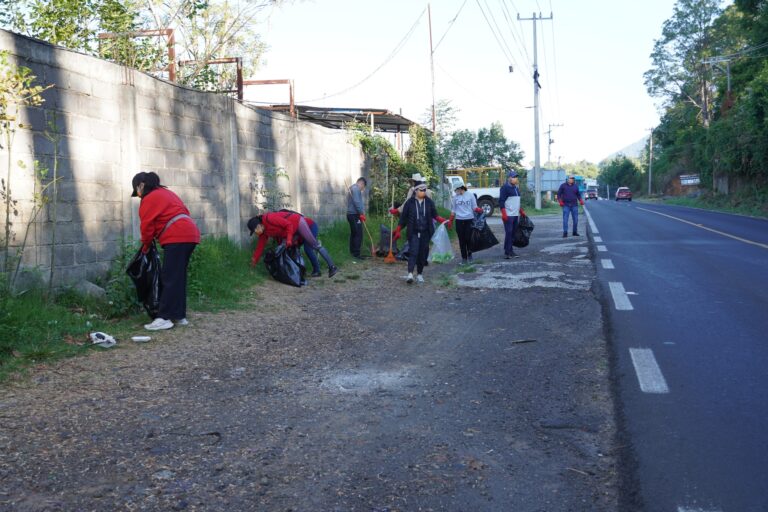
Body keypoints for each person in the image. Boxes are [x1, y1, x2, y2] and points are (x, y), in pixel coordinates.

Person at [131, 171, 200, 331]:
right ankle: (179, 315)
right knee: (177, 277)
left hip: (177, 235)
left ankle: (164, 318)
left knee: (168, 277)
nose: (139, 196)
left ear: (140, 185)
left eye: (137, 191)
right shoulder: (167, 193)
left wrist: (146, 246)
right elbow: (182, 211)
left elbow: (147, 227)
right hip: (190, 233)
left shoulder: (149, 199)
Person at [248, 211, 338, 277]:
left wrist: (289, 240)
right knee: (286, 249)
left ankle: (332, 267)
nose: (256, 233)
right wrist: (253, 264)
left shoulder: (269, 218)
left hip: (297, 222)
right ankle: (297, 272)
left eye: (255, 231)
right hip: (292, 230)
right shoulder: (264, 233)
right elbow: (259, 248)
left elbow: (288, 225)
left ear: (258, 225)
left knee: (314, 245)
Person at [393, 183, 446, 284]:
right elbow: (403, 218)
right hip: (413, 232)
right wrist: (398, 229)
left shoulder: (429, 202)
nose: (423, 191)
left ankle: (420, 274)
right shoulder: (410, 203)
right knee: (413, 252)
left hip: (426, 232)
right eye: (421, 190)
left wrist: (442, 220)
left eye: (424, 190)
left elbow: (435, 214)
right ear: (416, 191)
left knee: (423, 254)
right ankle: (410, 274)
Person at [447, 184, 483, 265]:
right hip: (459, 220)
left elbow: (474, 207)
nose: (455, 191)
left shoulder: (470, 195)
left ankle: (470, 255)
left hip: (469, 219)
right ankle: (464, 258)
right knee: (461, 240)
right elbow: (453, 210)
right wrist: (450, 220)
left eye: (456, 190)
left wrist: (479, 210)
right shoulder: (455, 197)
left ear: (461, 188)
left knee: (468, 238)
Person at [499, 169, 524, 259]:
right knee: (509, 233)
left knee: (513, 233)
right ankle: (508, 252)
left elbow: (516, 201)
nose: (515, 179)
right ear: (509, 178)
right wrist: (504, 213)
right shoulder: (504, 188)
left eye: (516, 177)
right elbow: (501, 201)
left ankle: (509, 250)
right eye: (514, 177)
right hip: (508, 215)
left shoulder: (516, 188)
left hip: (515, 214)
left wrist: (520, 210)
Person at [346, 177, 367, 258]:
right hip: (354, 214)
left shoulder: (352, 188)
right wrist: (361, 213)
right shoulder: (356, 189)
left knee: (354, 233)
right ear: (361, 183)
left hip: (352, 214)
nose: (363, 189)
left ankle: (353, 252)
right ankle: (356, 253)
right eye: (363, 186)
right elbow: (357, 202)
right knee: (358, 233)